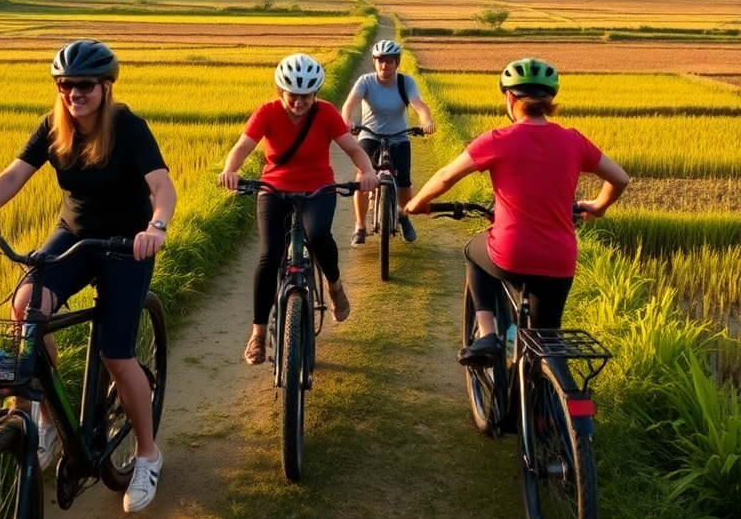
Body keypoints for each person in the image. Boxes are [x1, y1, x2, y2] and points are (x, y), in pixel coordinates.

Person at [0, 39, 176, 513]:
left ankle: (148, 454)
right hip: (74, 235)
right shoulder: (54, 127)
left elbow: (161, 185)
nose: (73, 93)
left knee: (116, 354)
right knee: (27, 307)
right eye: (65, 85)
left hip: (126, 245)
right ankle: (49, 419)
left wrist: (156, 226)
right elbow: (13, 175)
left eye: (84, 85)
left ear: (105, 87)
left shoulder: (128, 128)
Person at [405, 57, 629, 364]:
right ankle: (549, 399)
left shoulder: (498, 139)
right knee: (545, 342)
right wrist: (598, 207)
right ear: (550, 100)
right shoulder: (573, 140)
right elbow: (620, 178)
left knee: (473, 251)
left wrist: (416, 204)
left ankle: (487, 336)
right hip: (559, 259)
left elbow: (445, 176)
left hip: (511, 254)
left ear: (510, 98)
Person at [218, 53, 377, 365]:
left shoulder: (327, 113)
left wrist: (368, 172)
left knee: (318, 235)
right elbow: (243, 146)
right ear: (281, 92)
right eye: (293, 95)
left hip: (318, 189)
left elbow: (354, 148)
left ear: (315, 94)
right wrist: (231, 170)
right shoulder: (267, 112)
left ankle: (334, 286)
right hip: (273, 189)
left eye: (306, 96)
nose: (299, 102)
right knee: (268, 255)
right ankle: (259, 334)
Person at [341, 39, 435, 247]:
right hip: (370, 135)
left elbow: (419, 105)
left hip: (399, 136)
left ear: (397, 62)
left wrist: (426, 120)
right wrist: (347, 120)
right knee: (363, 178)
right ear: (374, 62)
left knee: (404, 182)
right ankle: (360, 226)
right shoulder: (365, 81)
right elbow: (349, 104)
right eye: (381, 61)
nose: (385, 66)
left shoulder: (406, 82)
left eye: (390, 61)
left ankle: (403, 217)